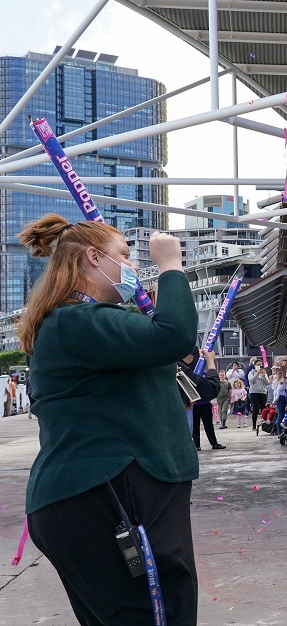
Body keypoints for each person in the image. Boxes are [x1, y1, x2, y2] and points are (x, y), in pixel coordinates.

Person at [16, 214, 199, 624]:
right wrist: (171, 266)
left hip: (109, 493)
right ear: (94, 258)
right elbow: (172, 335)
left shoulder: (83, 324)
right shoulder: (75, 320)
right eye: (125, 256)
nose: (132, 266)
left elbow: (170, 349)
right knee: (156, 614)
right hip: (111, 493)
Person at [182, 347, 226, 450]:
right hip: (193, 404)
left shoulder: (203, 373)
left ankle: (213, 443)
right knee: (194, 426)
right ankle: (196, 445)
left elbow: (211, 388)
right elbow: (212, 388)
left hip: (205, 403)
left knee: (208, 425)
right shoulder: (187, 373)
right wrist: (211, 361)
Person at [247, 358, 269, 431]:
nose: (259, 366)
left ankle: (264, 425)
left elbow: (267, 383)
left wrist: (263, 376)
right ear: (255, 365)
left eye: (261, 365)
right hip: (254, 392)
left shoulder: (264, 373)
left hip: (262, 392)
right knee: (255, 409)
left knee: (264, 409)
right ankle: (254, 425)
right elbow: (251, 381)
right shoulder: (251, 372)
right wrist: (257, 373)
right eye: (258, 365)